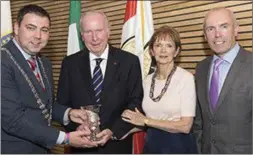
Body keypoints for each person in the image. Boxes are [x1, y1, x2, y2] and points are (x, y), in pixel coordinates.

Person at [1, 4, 98, 154]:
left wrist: (69, 113)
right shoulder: (3, 60)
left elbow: (45, 104)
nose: (38, 36)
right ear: (16, 28)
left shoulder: (43, 63)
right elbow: (12, 120)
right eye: (31, 28)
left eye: (44, 30)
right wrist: (65, 138)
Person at [56, 11, 143, 154]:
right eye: (88, 32)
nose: (94, 38)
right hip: (81, 146)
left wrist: (113, 131)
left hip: (117, 146)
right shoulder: (69, 63)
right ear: (81, 35)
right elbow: (62, 104)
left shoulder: (129, 62)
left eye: (99, 31)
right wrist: (76, 127)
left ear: (108, 31)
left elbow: (136, 103)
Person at [121, 25, 197, 154]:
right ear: (151, 51)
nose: (163, 50)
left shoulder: (186, 78)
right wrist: (117, 133)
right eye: (158, 45)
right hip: (152, 144)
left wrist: (145, 121)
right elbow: (144, 120)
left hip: (178, 146)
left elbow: (185, 126)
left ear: (176, 51)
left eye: (169, 46)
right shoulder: (146, 81)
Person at [192, 7, 252, 154]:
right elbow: (199, 119)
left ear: (236, 30)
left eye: (224, 26)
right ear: (205, 36)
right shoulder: (201, 68)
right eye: (210, 29)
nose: (217, 34)